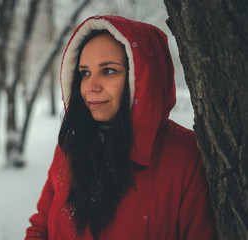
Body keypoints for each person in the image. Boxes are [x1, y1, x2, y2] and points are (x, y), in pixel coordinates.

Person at [25, 15, 216, 240]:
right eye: (84, 73)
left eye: (108, 71)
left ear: (143, 77)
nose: (90, 86)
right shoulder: (71, 144)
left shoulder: (186, 155)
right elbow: (41, 228)